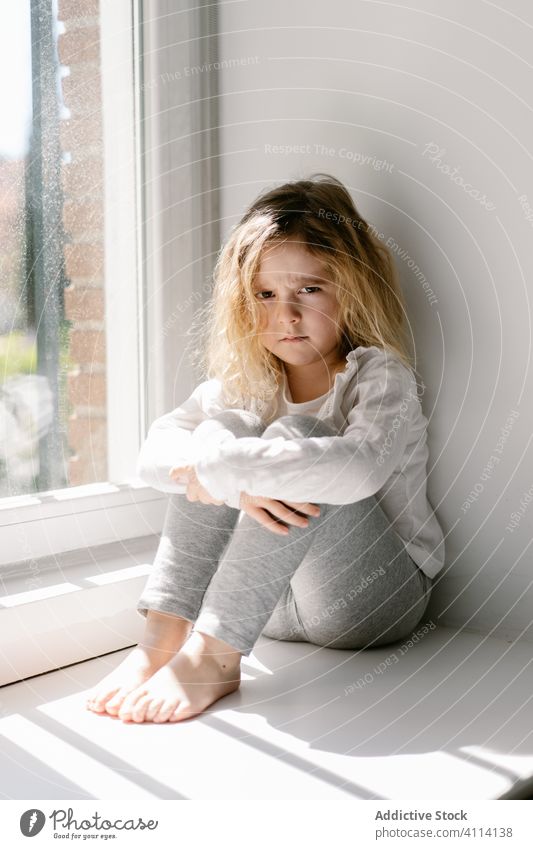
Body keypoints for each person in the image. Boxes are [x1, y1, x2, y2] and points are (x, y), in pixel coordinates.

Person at [86, 173, 445, 724]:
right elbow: (153, 454)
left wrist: (229, 470)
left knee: (296, 442)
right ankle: (160, 641)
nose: (287, 315)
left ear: (352, 287)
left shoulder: (377, 377)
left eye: (309, 289)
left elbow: (360, 471)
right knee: (215, 431)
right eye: (265, 294)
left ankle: (214, 658)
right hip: (265, 604)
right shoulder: (247, 384)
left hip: (370, 603)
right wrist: (217, 460)